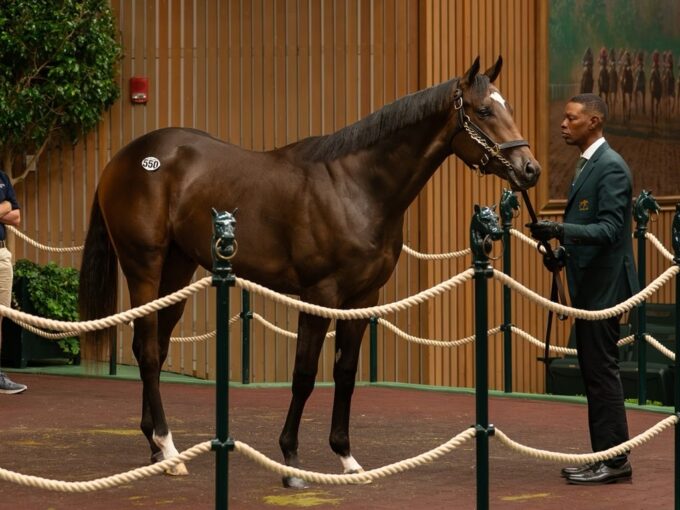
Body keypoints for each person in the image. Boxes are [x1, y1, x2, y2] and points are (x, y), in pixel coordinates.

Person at [528, 93, 637, 485]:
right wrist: (562, 253)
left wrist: (560, 230)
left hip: (606, 287)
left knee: (602, 372)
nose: (563, 123)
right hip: (591, 281)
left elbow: (609, 231)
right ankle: (603, 456)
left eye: (571, 118)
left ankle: (616, 460)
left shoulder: (610, 168)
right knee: (594, 371)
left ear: (594, 122)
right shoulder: (589, 164)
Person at [0, 168, 26, 394]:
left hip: (1, 255)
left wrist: (9, 206)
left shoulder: (2, 177)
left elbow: (16, 216)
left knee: (0, 316)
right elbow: (9, 208)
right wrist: (4, 205)